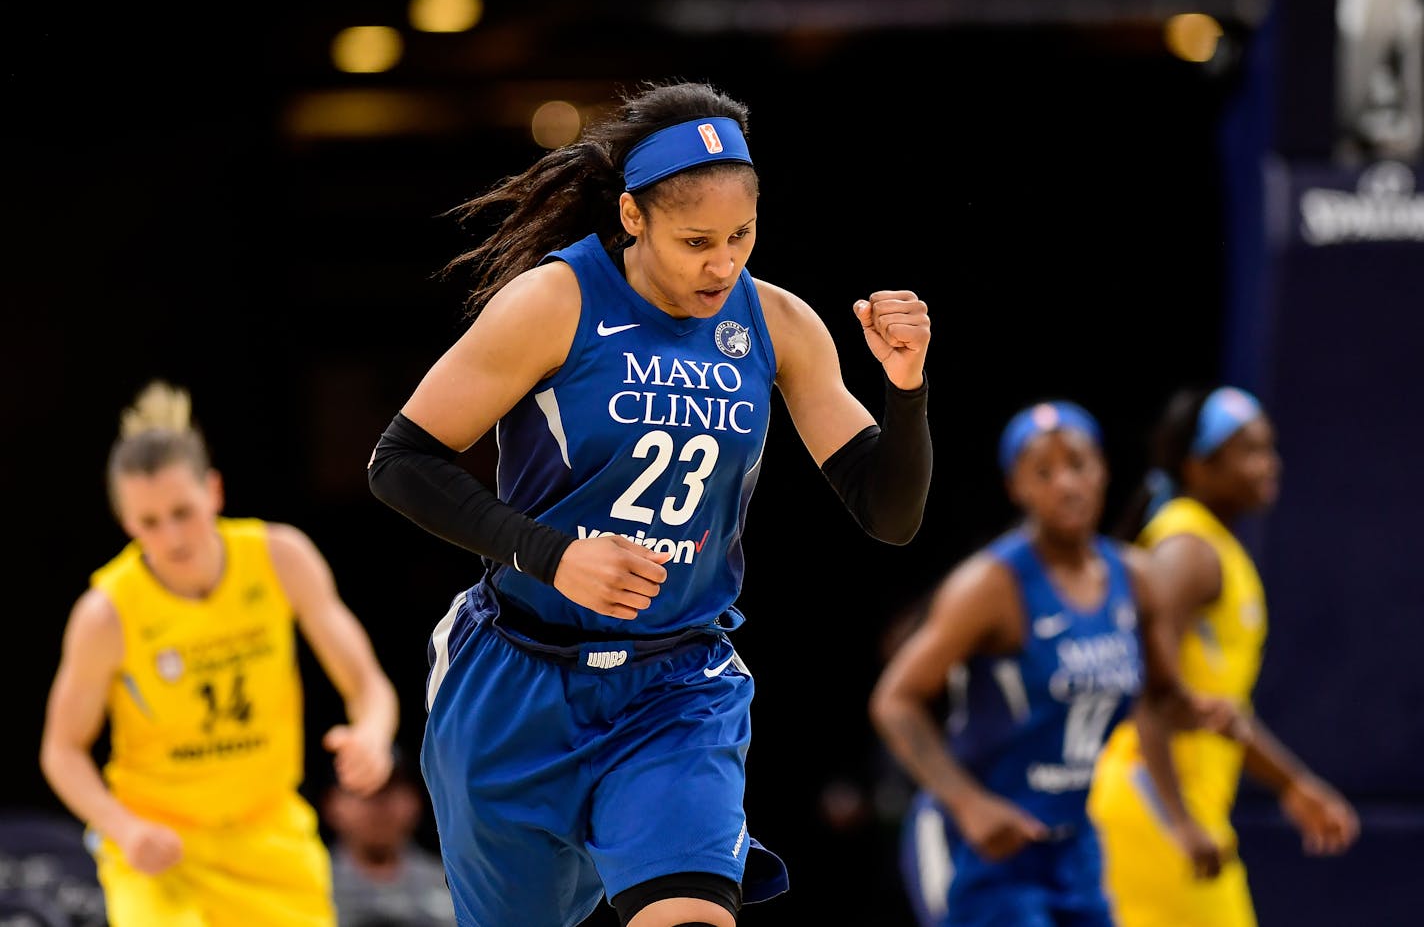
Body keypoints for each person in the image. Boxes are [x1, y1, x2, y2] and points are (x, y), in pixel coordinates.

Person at [366, 78, 933, 927]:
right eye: (696, 239)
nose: (723, 262)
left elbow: (888, 513)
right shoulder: (555, 302)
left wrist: (907, 389)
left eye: (742, 234)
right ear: (633, 218)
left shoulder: (775, 322)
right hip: (519, 676)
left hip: (675, 683)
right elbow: (399, 462)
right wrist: (551, 554)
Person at [39, 380, 400, 927]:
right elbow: (61, 750)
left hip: (269, 836)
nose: (172, 537)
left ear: (214, 491)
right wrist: (123, 828)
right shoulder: (105, 613)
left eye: (183, 511)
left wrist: (372, 736)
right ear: (125, 522)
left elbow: (367, 686)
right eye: (149, 523)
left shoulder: (281, 558)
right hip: (161, 848)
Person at [868, 400, 1241, 927]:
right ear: (1016, 487)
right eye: (1043, 471)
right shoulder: (991, 585)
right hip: (980, 842)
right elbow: (894, 699)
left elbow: (1160, 699)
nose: (1065, 483)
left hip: (1072, 843)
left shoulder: (1135, 578)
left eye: (1079, 464)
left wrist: (1203, 714)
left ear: (1104, 470)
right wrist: (967, 803)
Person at [1086, 385, 1361, 927]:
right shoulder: (1187, 550)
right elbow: (1147, 683)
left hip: (1178, 805)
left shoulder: (1212, 547)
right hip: (1154, 803)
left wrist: (1291, 784)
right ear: (1198, 466)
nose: (1269, 464)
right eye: (1249, 451)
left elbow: (1217, 707)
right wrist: (1177, 819)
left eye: (1269, 447)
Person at [321, 749, 457, 927]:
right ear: (332, 804)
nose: (379, 806)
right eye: (362, 791)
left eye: (391, 791)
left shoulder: (451, 886)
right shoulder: (309, 885)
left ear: (415, 803)